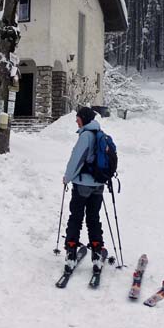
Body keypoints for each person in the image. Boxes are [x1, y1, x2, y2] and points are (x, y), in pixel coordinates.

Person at [62, 106, 105, 269]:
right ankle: (97, 251)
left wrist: (67, 177)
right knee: (93, 218)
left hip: (82, 185)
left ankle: (71, 251)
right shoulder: (100, 134)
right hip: (98, 185)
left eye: (78, 118)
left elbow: (77, 160)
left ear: (84, 119)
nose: (76, 120)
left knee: (76, 217)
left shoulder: (85, 136)